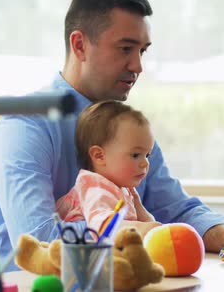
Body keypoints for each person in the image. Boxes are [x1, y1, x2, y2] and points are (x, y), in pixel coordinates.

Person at [0, 0, 224, 272]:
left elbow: (177, 210)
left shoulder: (127, 127)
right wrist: (136, 232)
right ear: (80, 45)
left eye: (142, 51)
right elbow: (41, 240)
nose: (138, 65)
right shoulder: (24, 128)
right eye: (125, 49)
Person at [56, 100, 157, 233]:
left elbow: (145, 220)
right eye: (136, 155)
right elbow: (103, 227)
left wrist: (153, 227)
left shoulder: (125, 189)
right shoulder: (95, 189)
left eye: (147, 155)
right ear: (99, 156)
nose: (145, 163)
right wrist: (146, 230)